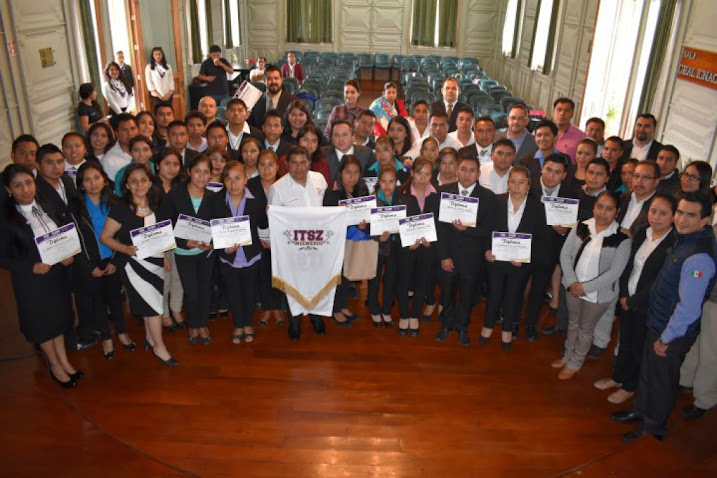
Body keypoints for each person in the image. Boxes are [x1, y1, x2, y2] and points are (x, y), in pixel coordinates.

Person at [613, 193, 716, 442]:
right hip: (658, 321)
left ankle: (654, 427)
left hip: (671, 331)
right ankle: (640, 411)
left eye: (690, 215)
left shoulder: (699, 256)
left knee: (661, 380)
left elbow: (689, 308)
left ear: (706, 220)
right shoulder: (685, 240)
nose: (681, 219)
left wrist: (667, 337)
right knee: (648, 373)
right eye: (679, 212)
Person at [0, 164, 81, 387]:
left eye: (28, 183)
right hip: (31, 281)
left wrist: (68, 253)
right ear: (8, 190)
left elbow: (62, 234)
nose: (25, 190)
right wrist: (30, 267)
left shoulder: (47, 205)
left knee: (58, 319)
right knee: (43, 323)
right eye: (18, 186)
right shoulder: (6, 220)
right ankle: (54, 364)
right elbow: (3, 258)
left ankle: (64, 360)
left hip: (56, 276)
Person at [594, 194, 677, 404]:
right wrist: (623, 294)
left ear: (674, 216)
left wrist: (634, 301)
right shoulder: (642, 233)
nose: (656, 217)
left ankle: (630, 386)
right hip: (628, 299)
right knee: (625, 342)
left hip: (647, 305)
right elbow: (628, 265)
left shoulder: (674, 243)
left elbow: (659, 280)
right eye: (653, 211)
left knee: (638, 347)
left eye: (663, 213)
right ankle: (618, 377)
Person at [100, 163, 177, 366]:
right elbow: (105, 237)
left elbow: (160, 235)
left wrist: (165, 257)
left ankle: (150, 338)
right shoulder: (121, 210)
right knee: (154, 307)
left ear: (150, 182)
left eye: (143, 180)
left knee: (151, 302)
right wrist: (124, 249)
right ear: (127, 185)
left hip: (156, 261)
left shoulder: (156, 204)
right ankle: (160, 347)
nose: (139, 184)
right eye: (134, 181)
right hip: (133, 265)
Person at [553, 191, 630, 380]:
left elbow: (614, 272)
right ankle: (567, 354)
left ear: (617, 212)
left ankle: (575, 362)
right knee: (572, 323)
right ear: (594, 207)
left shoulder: (622, 238)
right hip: (573, 287)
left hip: (598, 295)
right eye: (600, 207)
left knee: (586, 329)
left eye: (609, 209)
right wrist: (572, 282)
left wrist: (585, 288)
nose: (603, 212)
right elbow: (565, 255)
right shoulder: (581, 226)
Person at [73, 162, 133, 359]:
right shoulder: (75, 208)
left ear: (104, 179)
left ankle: (122, 332)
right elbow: (74, 241)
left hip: (113, 258)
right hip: (91, 262)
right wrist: (89, 266)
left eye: (97, 178)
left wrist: (116, 261)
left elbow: (124, 236)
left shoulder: (115, 203)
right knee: (97, 301)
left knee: (115, 299)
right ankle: (106, 337)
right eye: (87, 180)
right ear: (81, 184)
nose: (93, 183)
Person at [268, 146, 329, 340]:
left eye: (303, 162)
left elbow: (328, 210)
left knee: (317, 281)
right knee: (294, 284)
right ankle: (294, 320)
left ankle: (315, 316)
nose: (299, 167)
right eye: (294, 163)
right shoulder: (277, 188)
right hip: (292, 247)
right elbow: (273, 221)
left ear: (309, 163)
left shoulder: (320, 179)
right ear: (286, 165)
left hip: (319, 244)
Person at [481, 166, 545, 349]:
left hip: (519, 263)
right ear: (508, 183)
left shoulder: (537, 208)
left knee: (513, 296)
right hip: (496, 259)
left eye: (521, 182)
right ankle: (487, 326)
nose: (517, 186)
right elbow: (487, 229)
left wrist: (526, 257)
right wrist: (486, 249)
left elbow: (540, 239)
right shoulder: (497, 201)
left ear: (528, 185)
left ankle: (507, 329)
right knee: (494, 294)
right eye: (513, 181)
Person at [436, 154, 496, 346]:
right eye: (463, 169)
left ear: (478, 173)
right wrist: (443, 255)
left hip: (472, 258)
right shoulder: (444, 192)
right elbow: (440, 228)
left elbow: (488, 230)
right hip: (449, 254)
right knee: (446, 294)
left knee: (467, 296)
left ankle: (462, 327)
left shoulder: (487, 197)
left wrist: (468, 229)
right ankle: (446, 325)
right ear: (456, 170)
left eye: (472, 170)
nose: (467, 174)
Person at [160, 155, 216, 345]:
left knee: (204, 290)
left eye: (206, 172)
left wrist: (213, 243)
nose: (201, 176)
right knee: (191, 292)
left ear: (210, 175)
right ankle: (194, 325)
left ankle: (203, 324)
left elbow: (218, 227)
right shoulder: (174, 196)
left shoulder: (213, 198)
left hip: (206, 253)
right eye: (197, 171)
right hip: (183, 253)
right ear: (189, 172)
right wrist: (184, 243)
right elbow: (164, 228)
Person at [209, 161, 267, 343]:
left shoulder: (256, 199)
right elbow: (213, 229)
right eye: (228, 179)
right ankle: (238, 324)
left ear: (246, 179)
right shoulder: (216, 200)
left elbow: (263, 224)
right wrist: (222, 246)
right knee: (232, 291)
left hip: (251, 254)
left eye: (237, 178)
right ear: (223, 181)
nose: (233, 183)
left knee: (250, 290)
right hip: (228, 256)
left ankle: (247, 323)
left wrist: (268, 213)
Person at [522, 153, 575, 341]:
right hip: (523, 248)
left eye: (557, 172)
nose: (551, 175)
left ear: (564, 175)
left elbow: (572, 229)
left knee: (538, 292)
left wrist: (563, 231)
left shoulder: (570, 194)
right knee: (517, 288)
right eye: (549, 170)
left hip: (549, 253)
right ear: (542, 169)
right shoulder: (528, 188)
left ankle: (530, 326)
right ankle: (511, 322)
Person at [323, 155, 370, 327]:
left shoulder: (362, 192)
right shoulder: (331, 193)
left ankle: (342, 305)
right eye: (348, 172)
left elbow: (368, 218)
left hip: (354, 243)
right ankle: (335, 309)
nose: (352, 176)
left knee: (348, 276)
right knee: (337, 278)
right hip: (336, 244)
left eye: (356, 172)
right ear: (340, 173)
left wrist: (364, 225)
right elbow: (326, 222)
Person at [395, 157, 439, 337]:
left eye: (427, 174)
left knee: (422, 281)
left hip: (427, 248)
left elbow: (438, 224)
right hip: (406, 248)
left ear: (431, 176)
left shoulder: (436, 196)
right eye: (419, 173)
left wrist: (431, 242)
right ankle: (404, 315)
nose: (422, 178)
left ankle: (414, 316)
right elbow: (395, 223)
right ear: (412, 173)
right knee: (403, 282)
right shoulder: (401, 194)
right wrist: (407, 243)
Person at [249, 149, 286, 327]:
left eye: (270, 164)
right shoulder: (250, 186)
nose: (266, 169)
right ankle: (266, 308)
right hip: (258, 240)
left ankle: (277, 307)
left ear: (277, 166)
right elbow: (246, 215)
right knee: (263, 273)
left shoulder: (285, 184)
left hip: (281, 240)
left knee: (279, 273)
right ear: (257, 167)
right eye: (262, 165)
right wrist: (258, 240)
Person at [155, 149, 186, 331]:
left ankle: (176, 310)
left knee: (178, 277)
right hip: (160, 241)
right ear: (158, 165)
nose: (172, 168)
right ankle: (164, 314)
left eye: (175, 164)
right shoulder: (150, 188)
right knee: (164, 279)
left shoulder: (181, 187)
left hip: (179, 240)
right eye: (167, 163)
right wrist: (162, 251)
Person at [679, 279, 717, 421]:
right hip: (706, 298)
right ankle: (685, 380)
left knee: (710, 356)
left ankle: (705, 401)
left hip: (714, 303)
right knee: (698, 346)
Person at [367, 165, 400, 328]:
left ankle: (386, 310)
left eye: (391, 182)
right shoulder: (372, 200)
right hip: (376, 247)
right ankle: (374, 309)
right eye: (384, 181)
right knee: (374, 279)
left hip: (394, 248)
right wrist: (379, 236)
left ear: (396, 182)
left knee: (391, 279)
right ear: (378, 182)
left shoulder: (400, 199)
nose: (387, 186)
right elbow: (367, 226)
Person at [101, 113, 138, 181]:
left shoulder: (146, 151)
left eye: (133, 128)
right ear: (116, 133)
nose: (130, 133)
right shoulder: (109, 160)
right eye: (124, 130)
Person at [552, 97, 586, 163]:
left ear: (572, 114)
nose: (562, 113)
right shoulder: (541, 132)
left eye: (566, 111)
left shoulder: (581, 137)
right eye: (559, 110)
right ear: (553, 111)